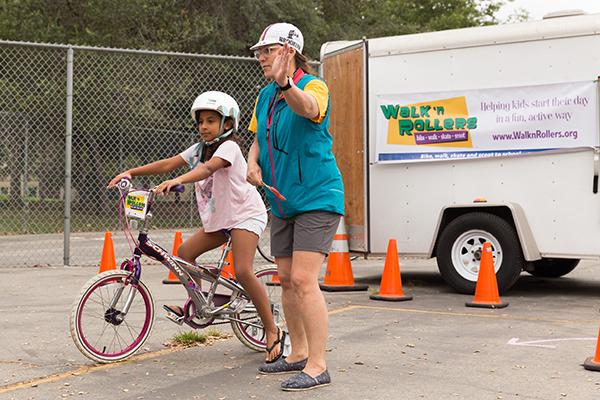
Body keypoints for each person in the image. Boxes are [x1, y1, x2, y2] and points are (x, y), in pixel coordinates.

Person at [108, 91, 284, 363]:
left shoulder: (230, 148)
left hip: (245, 215)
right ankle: (199, 305)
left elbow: (207, 170)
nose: (204, 126)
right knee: (185, 254)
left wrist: (175, 181)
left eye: (211, 120)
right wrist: (131, 172)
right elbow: (168, 163)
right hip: (221, 219)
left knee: (243, 270)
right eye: (201, 121)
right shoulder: (199, 149)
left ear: (227, 124)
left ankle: (272, 331)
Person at [246, 23, 344, 391]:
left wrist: (288, 84)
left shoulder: (311, 85)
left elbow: (310, 109)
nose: (260, 58)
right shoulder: (265, 95)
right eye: (259, 52)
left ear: (288, 51)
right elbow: (258, 137)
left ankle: (318, 365)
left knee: (303, 279)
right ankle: (298, 353)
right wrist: (252, 162)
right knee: (286, 280)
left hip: (317, 195)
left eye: (266, 51)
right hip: (282, 198)